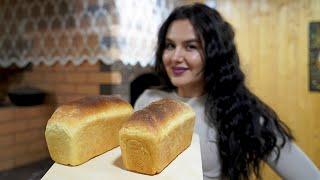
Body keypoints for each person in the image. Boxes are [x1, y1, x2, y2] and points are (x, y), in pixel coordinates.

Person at [134, 3, 320, 180]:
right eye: (170, 45)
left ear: (215, 53)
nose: (175, 57)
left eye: (191, 46)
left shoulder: (239, 110)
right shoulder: (147, 101)